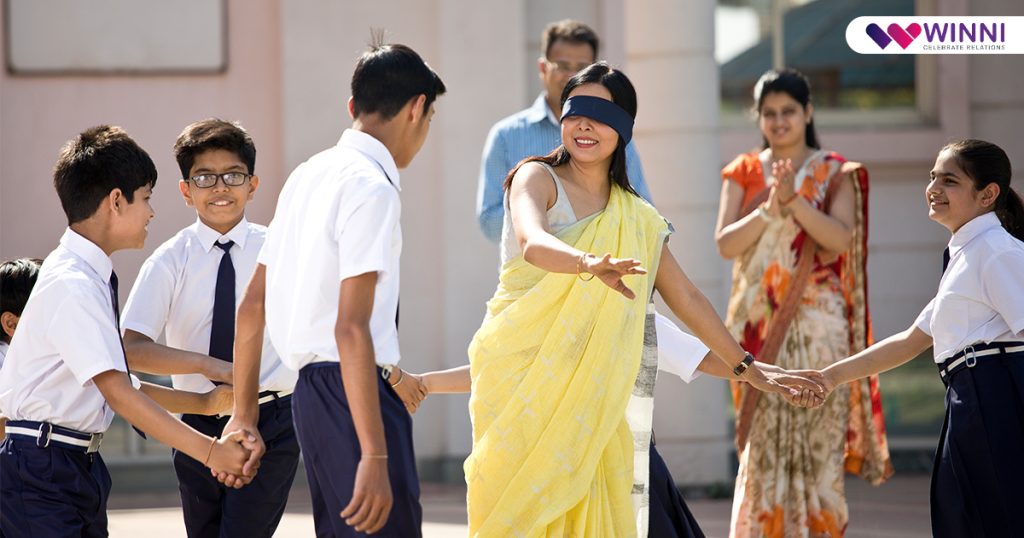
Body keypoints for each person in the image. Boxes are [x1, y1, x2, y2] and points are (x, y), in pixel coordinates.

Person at [457, 62, 818, 537]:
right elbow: (532, 241)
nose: (584, 124)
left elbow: (686, 297)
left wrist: (747, 368)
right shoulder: (536, 178)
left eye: (599, 114)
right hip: (525, 394)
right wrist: (587, 264)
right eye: (574, 111)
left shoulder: (639, 218)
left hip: (603, 407)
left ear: (624, 129)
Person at [222, 42, 444, 536]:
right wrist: (374, 450)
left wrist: (243, 413)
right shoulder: (372, 186)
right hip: (354, 392)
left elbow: (252, 306)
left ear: (353, 108)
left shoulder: (306, 175)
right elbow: (351, 326)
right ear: (416, 109)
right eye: (430, 118)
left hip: (310, 395)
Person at [0, 125, 253, 537]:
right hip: (42, 470)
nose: (153, 212)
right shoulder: (73, 283)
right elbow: (119, 392)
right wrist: (212, 452)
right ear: (116, 201)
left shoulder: (89, 274)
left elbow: (118, 384)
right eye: (147, 198)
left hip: (70, 466)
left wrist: (206, 404)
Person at [714, 68, 892, 536]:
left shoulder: (835, 171)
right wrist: (769, 208)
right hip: (757, 327)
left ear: (808, 112)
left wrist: (794, 202)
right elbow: (726, 244)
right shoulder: (745, 170)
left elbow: (839, 239)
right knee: (763, 448)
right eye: (769, 113)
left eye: (788, 111)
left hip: (820, 326)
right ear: (758, 116)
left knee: (818, 442)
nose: (778, 121)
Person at [816, 139, 1024, 537]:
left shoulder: (996, 251)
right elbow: (910, 340)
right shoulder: (967, 254)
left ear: (988, 195)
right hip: (968, 400)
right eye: (932, 177)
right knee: (963, 518)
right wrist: (828, 377)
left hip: (994, 400)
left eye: (949, 180)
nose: (933, 188)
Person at [121, 119, 299, 538]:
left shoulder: (280, 250)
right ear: (186, 191)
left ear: (252, 185)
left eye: (233, 176)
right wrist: (208, 366)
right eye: (204, 177)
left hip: (272, 415)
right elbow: (130, 348)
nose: (220, 187)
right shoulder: (169, 260)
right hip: (196, 420)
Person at [476, 19, 651, 243]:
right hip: (533, 274)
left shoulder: (613, 136)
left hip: (603, 271)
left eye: (581, 68)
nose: (571, 76)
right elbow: (489, 220)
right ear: (543, 68)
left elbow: (643, 210)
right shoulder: (505, 135)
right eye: (563, 66)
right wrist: (548, 212)